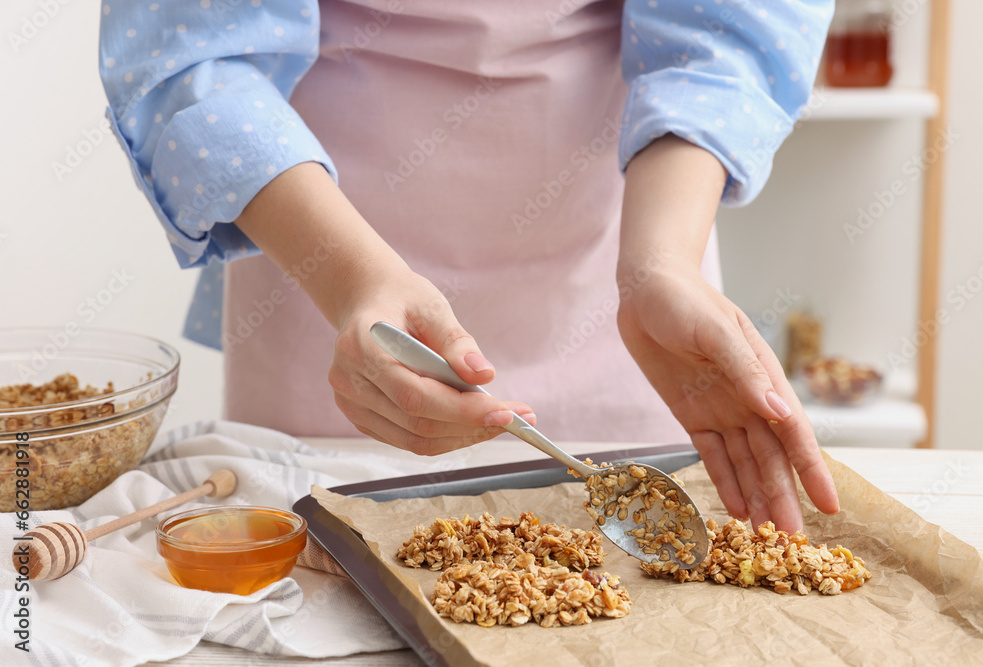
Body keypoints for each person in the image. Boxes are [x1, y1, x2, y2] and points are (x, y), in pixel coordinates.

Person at [98, 0, 839, 532]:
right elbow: (195, 55)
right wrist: (351, 279)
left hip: (628, 272)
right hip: (326, 269)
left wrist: (662, 267)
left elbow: (724, 37)